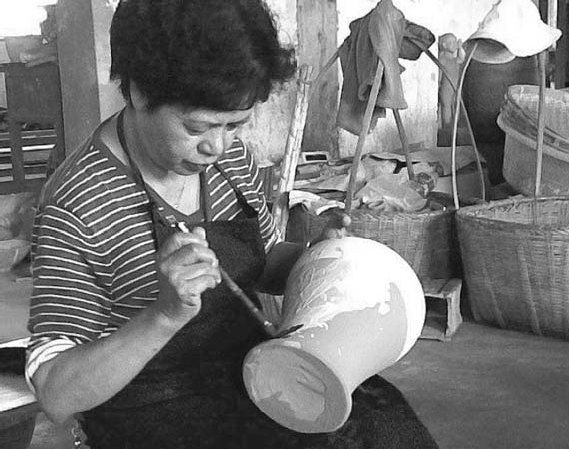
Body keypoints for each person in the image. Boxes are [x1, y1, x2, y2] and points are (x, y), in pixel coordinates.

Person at [26, 1, 438, 448]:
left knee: (381, 422)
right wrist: (162, 315)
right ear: (140, 93)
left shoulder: (232, 164)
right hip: (150, 412)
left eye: (236, 125)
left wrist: (314, 258)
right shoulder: (79, 204)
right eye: (198, 126)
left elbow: (259, 269)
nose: (217, 147)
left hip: (253, 372)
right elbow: (56, 392)